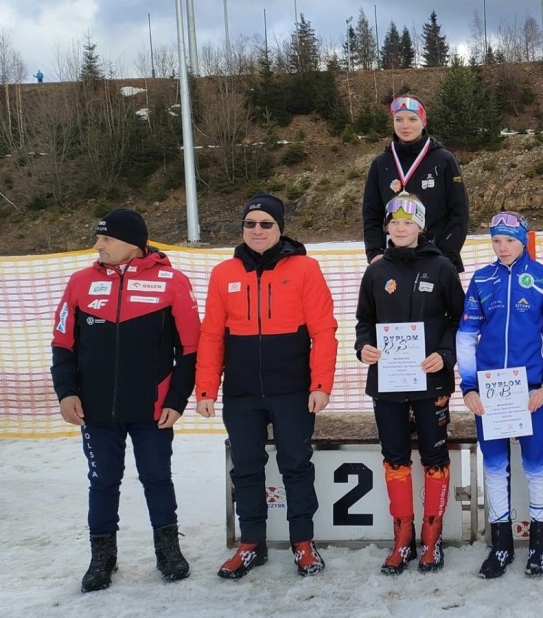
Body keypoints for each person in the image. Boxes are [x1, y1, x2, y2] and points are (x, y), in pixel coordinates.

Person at [51, 209, 200, 592]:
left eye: (107, 239)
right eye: (99, 238)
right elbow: (63, 343)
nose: (98, 245)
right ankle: (102, 556)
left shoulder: (172, 281)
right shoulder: (80, 283)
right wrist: (67, 392)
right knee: (102, 481)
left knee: (156, 477)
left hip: (152, 407)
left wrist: (178, 399)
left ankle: (167, 549)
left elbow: (190, 348)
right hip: (96, 409)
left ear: (133, 244)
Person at [195, 194, 339, 579]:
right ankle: (251, 543)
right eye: (250, 224)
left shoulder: (306, 268)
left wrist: (321, 384)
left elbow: (324, 331)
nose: (257, 230)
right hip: (241, 391)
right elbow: (211, 334)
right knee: (245, 469)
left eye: (266, 224)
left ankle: (303, 542)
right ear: (242, 228)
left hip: (291, 388)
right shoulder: (223, 273)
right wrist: (206, 388)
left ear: (280, 228)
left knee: (295, 464)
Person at [354, 194, 464, 575]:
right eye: (394, 223)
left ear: (420, 226)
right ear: (386, 227)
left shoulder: (441, 267)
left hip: (431, 380)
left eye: (408, 222)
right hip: (388, 383)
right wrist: (363, 347)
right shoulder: (376, 271)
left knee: (434, 457)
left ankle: (431, 540)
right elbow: (363, 322)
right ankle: (403, 539)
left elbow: (458, 321)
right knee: (396, 457)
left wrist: (446, 355)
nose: (400, 229)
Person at [457, 212, 543, 579]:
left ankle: (540, 543)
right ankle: (501, 545)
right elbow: (465, 336)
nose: (502, 248)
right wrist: (469, 386)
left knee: (536, 465)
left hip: (529, 389)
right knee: (494, 466)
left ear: (523, 241)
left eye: (509, 240)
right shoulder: (481, 278)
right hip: (489, 391)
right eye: (496, 241)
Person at [363, 94, 469, 271]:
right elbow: (371, 213)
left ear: (423, 121)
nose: (405, 125)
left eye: (412, 119)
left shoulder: (444, 160)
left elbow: (459, 212)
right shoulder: (381, 164)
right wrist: (375, 253)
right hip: (394, 262)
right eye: (399, 119)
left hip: (438, 260)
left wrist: (446, 256)